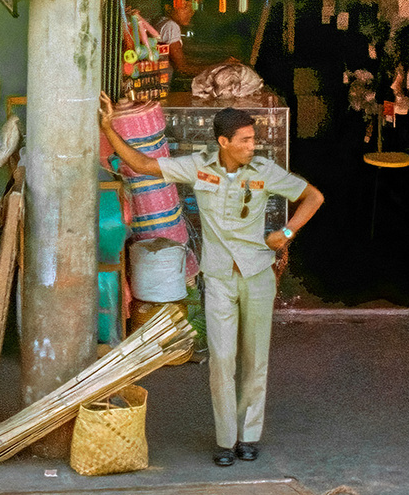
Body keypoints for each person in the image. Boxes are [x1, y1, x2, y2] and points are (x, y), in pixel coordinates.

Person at [98, 94, 324, 466]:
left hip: (257, 276)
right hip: (219, 278)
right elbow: (141, 164)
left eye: (254, 139)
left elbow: (313, 197)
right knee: (221, 359)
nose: (253, 146)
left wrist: (286, 232)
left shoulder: (265, 171)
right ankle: (225, 440)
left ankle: (249, 436)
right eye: (245, 140)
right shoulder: (198, 168)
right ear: (223, 142)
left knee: (255, 360)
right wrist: (108, 128)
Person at [154, 0, 202, 79]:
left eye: (192, 7)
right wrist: (217, 68)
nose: (191, 12)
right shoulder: (171, 26)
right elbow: (182, 68)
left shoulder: (160, 21)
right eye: (185, 7)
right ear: (168, 8)